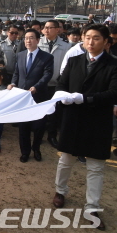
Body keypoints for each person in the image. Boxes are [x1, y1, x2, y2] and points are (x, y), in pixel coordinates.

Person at [53, 24, 117, 230]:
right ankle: (60, 191)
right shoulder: (75, 61)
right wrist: (61, 96)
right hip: (72, 119)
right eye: (87, 37)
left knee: (96, 166)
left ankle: (92, 207)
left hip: (97, 122)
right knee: (65, 160)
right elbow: (61, 83)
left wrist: (85, 98)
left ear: (106, 42)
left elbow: (115, 93)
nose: (90, 42)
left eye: (96, 38)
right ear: (82, 39)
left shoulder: (115, 65)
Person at [8, 29, 53, 163]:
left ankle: (36, 149)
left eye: (31, 38)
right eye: (26, 38)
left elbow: (47, 75)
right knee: (23, 127)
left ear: (38, 40)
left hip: (39, 97)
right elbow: (17, 73)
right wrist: (13, 83)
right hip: (23, 97)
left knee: (39, 127)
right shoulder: (20, 55)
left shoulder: (47, 57)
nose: (28, 41)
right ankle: (25, 152)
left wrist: (36, 87)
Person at [38, 19, 71, 149]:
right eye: (45, 27)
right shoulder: (38, 43)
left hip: (56, 84)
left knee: (54, 112)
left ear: (57, 30)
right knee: (40, 111)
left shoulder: (66, 46)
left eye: (50, 28)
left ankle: (51, 135)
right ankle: (38, 135)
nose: (46, 30)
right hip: (40, 83)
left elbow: (67, 67)